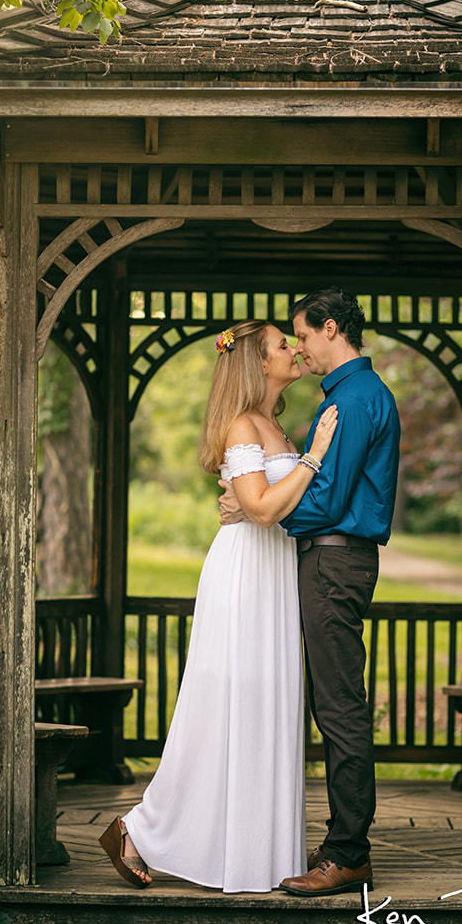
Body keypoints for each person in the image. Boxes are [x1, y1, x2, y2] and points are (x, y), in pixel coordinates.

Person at [98, 319, 337, 894]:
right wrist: (316, 456)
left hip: (275, 574)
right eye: (284, 345)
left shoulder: (275, 423)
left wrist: (293, 472)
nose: (295, 350)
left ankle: (256, 846)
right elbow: (258, 509)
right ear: (258, 363)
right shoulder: (242, 424)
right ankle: (137, 829)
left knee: (266, 707)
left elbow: (268, 502)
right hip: (245, 575)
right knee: (221, 707)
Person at [220, 287, 400, 897]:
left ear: (329, 329)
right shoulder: (352, 395)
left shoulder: (351, 399)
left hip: (332, 563)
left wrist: (255, 510)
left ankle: (348, 853)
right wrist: (256, 502)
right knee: (331, 703)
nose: (299, 349)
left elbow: (326, 500)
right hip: (331, 563)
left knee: (341, 708)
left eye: (302, 336)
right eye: (288, 342)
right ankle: (339, 844)